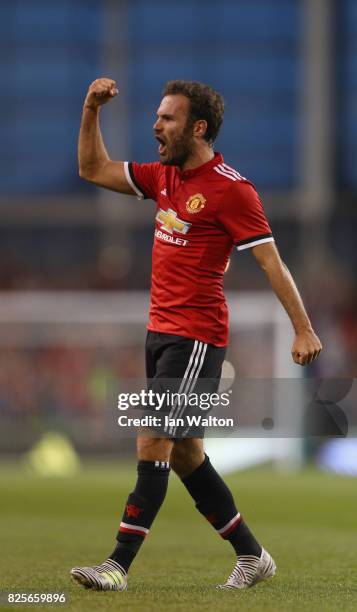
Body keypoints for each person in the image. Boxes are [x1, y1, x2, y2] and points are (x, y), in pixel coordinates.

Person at [71, 78, 322, 592]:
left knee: (153, 438)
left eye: (167, 118)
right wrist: (90, 110)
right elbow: (92, 168)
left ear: (197, 127)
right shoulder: (163, 177)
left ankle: (117, 565)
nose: (155, 125)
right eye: (158, 116)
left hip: (196, 338)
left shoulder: (231, 189)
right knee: (185, 453)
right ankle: (253, 556)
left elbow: (271, 262)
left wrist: (303, 328)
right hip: (159, 333)